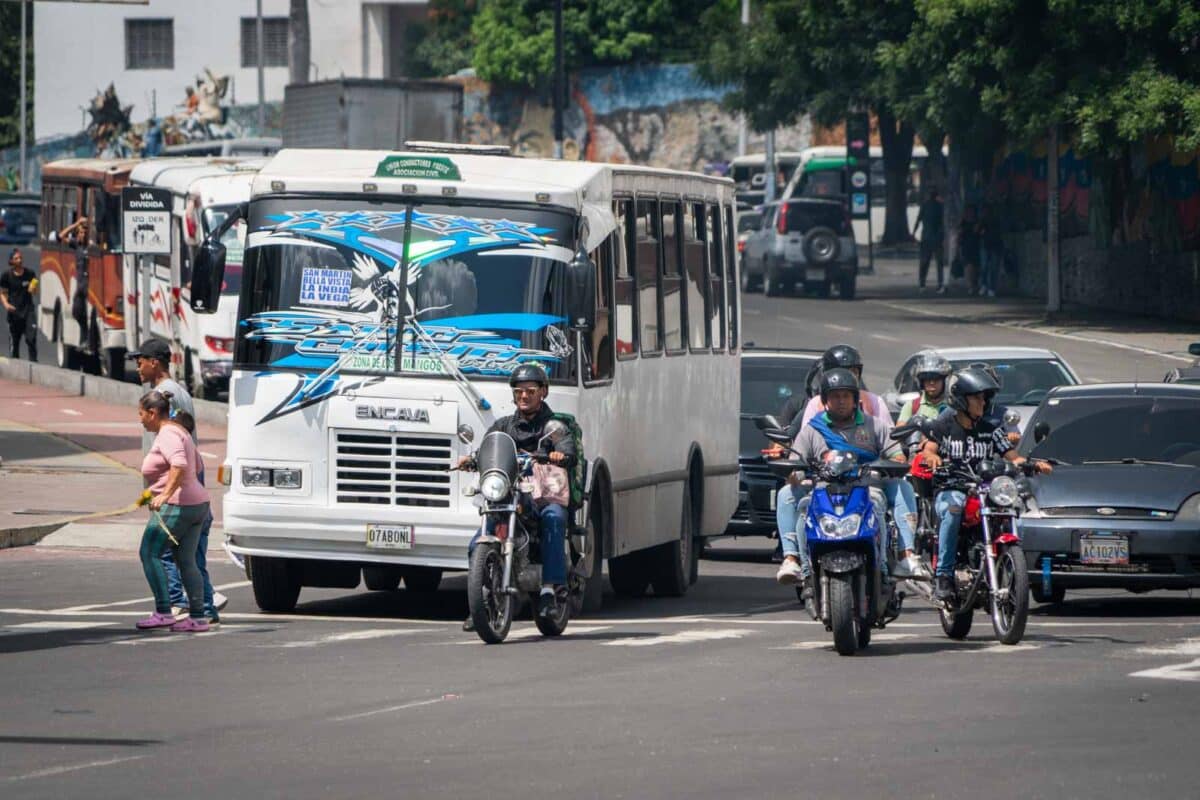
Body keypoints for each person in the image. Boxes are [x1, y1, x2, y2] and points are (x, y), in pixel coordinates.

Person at [774, 369, 925, 596]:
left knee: (893, 496)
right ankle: (796, 563)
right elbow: (796, 463)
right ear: (825, 400)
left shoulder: (875, 425)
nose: (841, 401)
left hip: (866, 488)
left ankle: (898, 559)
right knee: (788, 495)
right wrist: (793, 473)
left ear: (855, 398)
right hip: (824, 490)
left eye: (846, 396)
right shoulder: (813, 429)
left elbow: (896, 454)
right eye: (835, 396)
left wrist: (895, 460)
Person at [459, 364, 576, 631]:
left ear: (543, 392)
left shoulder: (553, 426)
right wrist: (472, 459)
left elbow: (567, 449)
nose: (524, 396)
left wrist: (559, 454)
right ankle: (480, 604)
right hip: (510, 492)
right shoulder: (504, 426)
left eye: (530, 391)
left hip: (545, 495)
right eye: (519, 391)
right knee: (479, 539)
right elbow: (489, 450)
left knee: (554, 518)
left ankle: (550, 590)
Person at [919, 367, 1052, 601]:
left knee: (1011, 506)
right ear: (962, 399)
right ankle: (944, 574)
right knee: (954, 509)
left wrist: (1032, 464)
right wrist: (934, 458)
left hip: (984, 489)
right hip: (953, 487)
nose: (983, 403)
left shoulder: (990, 430)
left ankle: (1008, 564)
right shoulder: (945, 425)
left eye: (984, 398)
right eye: (977, 398)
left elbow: (1013, 456)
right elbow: (928, 450)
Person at [131, 339, 226, 623]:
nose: (138, 368)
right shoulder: (179, 391)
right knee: (188, 553)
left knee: (162, 550)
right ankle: (202, 607)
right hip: (187, 483)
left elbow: (177, 456)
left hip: (178, 488)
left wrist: (161, 491)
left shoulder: (163, 396)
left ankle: (174, 604)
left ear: (154, 362)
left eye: (141, 362)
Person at [135, 390, 212, 632]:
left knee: (149, 553)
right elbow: (197, 464)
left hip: (178, 505)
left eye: (141, 414)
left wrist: (165, 494)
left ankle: (163, 611)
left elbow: (179, 464)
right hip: (197, 504)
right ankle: (198, 617)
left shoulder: (167, 434)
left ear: (152, 412)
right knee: (186, 560)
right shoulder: (181, 431)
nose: (140, 420)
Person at [799, 345, 893, 431]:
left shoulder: (874, 401)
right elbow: (805, 440)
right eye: (835, 397)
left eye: (853, 372)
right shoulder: (815, 404)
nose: (842, 401)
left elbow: (889, 437)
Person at [1, 249, 37, 361]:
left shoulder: (30, 274)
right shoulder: (6, 276)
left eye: (20, 258)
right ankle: (15, 367)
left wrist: (34, 289)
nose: (20, 260)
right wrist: (6, 304)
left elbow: (34, 291)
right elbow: (2, 292)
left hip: (28, 311)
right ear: (11, 261)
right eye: (16, 258)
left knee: (31, 339)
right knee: (15, 345)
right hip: (14, 312)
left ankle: (34, 363)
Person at [897, 352, 952, 424]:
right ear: (921, 382)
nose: (932, 383)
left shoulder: (953, 406)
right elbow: (899, 431)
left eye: (936, 378)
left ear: (945, 381)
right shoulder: (912, 405)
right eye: (927, 378)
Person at [913, 189, 945, 294]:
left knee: (925, 262)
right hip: (935, 238)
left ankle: (922, 284)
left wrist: (914, 232)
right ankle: (940, 284)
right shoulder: (939, 206)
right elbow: (942, 223)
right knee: (938, 262)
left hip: (927, 237)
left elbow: (918, 219)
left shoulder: (925, 205)